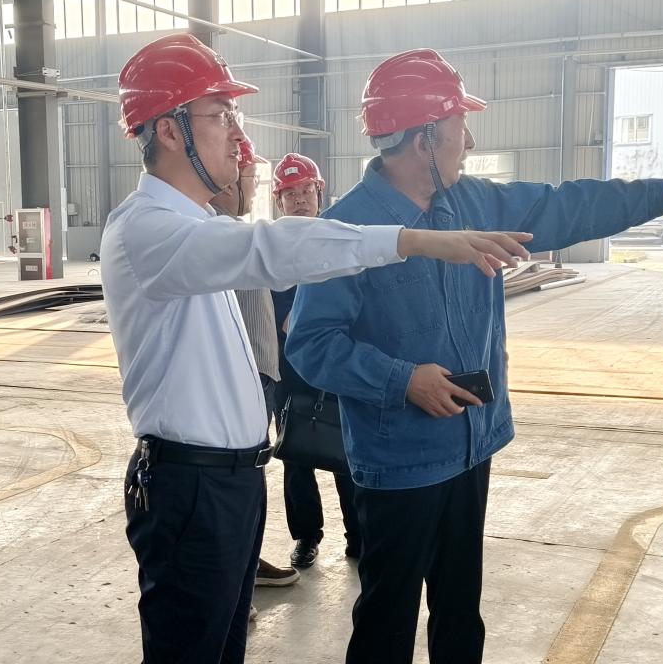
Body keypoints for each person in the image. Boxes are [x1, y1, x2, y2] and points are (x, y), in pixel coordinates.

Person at [284, 48, 663, 664]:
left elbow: (568, 204)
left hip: (470, 446)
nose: (470, 142)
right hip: (400, 462)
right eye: (460, 127)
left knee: (460, 608)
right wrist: (403, 380)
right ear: (425, 139)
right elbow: (311, 344)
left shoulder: (474, 204)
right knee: (386, 617)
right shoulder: (348, 230)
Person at [99, 34, 533, 663]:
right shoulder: (147, 231)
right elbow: (272, 249)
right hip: (190, 486)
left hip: (228, 482)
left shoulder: (198, 226)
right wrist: (413, 241)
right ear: (169, 130)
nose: (238, 136)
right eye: (220, 116)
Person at [207, 140, 300, 615]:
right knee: (236, 484)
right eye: (249, 179)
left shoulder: (232, 231)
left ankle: (244, 567)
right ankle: (232, 580)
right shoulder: (218, 236)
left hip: (259, 374)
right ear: (227, 181)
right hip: (243, 380)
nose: (254, 189)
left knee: (248, 482)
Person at [270, 153, 361, 568]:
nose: (300, 200)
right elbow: (263, 303)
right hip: (289, 369)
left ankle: (358, 535)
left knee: (346, 449)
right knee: (295, 454)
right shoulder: (271, 247)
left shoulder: (336, 238)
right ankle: (306, 536)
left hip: (335, 364)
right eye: (290, 194)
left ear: (319, 192)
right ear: (279, 201)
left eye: (306, 190)